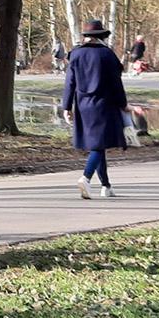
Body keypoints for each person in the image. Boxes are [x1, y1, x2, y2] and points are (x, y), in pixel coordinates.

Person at [62, 19, 128, 199]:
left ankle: (106, 186)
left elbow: (70, 83)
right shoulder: (107, 55)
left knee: (97, 145)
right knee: (99, 145)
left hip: (83, 105)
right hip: (104, 104)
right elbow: (116, 83)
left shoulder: (76, 54)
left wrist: (66, 106)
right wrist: (123, 103)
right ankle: (86, 177)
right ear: (102, 36)